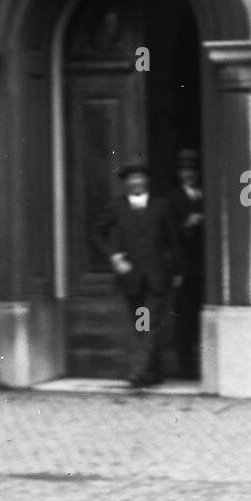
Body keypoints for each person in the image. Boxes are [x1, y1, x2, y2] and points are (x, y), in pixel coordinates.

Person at [93, 162, 182, 388]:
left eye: (140, 179)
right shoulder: (117, 207)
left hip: (157, 277)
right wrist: (114, 257)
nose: (136, 183)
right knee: (141, 326)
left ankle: (137, 371)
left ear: (146, 182)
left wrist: (179, 270)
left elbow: (174, 240)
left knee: (147, 324)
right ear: (126, 184)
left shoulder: (161, 206)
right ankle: (154, 373)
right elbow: (97, 232)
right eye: (131, 180)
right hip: (131, 278)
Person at [167, 148, 204, 380]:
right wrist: (187, 224)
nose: (188, 175)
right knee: (184, 317)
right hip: (184, 268)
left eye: (191, 171)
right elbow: (169, 234)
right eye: (184, 171)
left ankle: (199, 364)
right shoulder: (173, 198)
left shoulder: (204, 195)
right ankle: (184, 366)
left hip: (203, 267)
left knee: (198, 315)